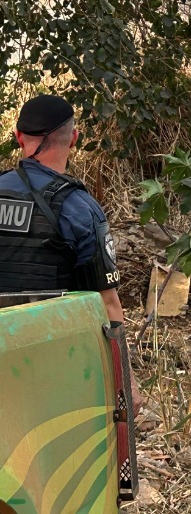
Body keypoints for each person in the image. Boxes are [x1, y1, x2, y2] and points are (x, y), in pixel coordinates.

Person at [0, 94, 142, 413]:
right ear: (74, 138)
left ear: (18, 138)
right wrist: (126, 385)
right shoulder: (80, 209)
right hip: (53, 372)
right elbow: (107, 303)